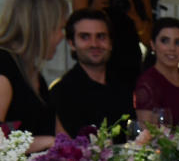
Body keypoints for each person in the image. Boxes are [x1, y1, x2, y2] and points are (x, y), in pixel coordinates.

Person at [0, 0, 68, 152]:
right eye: (60, 28)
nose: (62, 36)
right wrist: (46, 142)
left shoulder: (35, 75)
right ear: (43, 28)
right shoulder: (4, 65)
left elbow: (61, 137)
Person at [50, 9, 135, 137]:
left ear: (111, 42)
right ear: (72, 43)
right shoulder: (62, 92)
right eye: (85, 37)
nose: (94, 44)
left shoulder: (125, 85)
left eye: (101, 36)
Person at [72, 0, 152, 93]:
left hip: (130, 64)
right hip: (96, 63)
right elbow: (76, 31)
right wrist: (93, 9)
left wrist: (134, 17)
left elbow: (150, 42)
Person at [134, 18, 179, 125]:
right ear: (152, 44)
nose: (172, 48)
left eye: (178, 42)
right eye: (165, 41)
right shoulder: (147, 82)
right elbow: (146, 133)